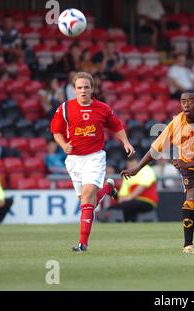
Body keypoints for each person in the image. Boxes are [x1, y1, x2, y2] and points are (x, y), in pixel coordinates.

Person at [121, 90, 194, 254]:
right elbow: (155, 149)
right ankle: (188, 245)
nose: (186, 103)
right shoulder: (176, 124)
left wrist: (186, 163)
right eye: (183, 101)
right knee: (192, 197)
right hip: (188, 166)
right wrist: (137, 168)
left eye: (191, 100)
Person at [50, 71, 135, 252]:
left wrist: (126, 142)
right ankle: (108, 188)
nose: (83, 91)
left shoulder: (102, 108)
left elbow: (116, 126)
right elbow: (56, 131)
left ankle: (83, 244)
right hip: (74, 160)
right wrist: (64, 145)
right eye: (79, 88)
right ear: (73, 90)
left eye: (86, 87)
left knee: (88, 195)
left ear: (92, 88)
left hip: (94, 157)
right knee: (88, 202)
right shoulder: (64, 108)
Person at [108, 158, 158, 222]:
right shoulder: (127, 175)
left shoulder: (146, 169)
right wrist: (121, 199)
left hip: (147, 200)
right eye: (129, 166)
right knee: (116, 207)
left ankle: (130, 222)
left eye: (133, 165)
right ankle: (127, 223)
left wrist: (130, 197)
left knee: (126, 205)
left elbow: (143, 185)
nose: (131, 167)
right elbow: (123, 192)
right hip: (132, 201)